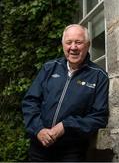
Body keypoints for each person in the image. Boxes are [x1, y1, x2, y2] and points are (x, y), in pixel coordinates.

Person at [22, 24, 109, 162]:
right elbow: (30, 101)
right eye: (69, 42)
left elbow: (99, 117)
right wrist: (39, 130)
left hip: (72, 151)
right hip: (39, 148)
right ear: (63, 45)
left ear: (87, 45)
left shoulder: (99, 76)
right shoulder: (49, 68)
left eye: (78, 42)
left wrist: (66, 126)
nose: (73, 47)